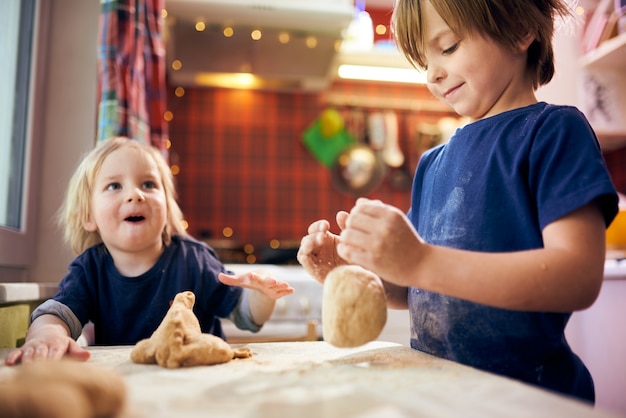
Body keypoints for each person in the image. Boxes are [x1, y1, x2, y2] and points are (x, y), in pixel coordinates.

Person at [297, 0, 619, 403]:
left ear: (520, 30)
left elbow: (577, 277)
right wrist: (347, 270)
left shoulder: (553, 132)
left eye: (448, 47)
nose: (432, 73)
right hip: (442, 394)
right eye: (423, 60)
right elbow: (415, 287)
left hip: (528, 399)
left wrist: (421, 261)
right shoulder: (433, 163)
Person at [5, 137, 293, 366]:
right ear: (88, 215)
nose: (135, 194)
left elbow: (247, 316)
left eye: (148, 184)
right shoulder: (90, 268)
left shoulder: (193, 258)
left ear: (167, 207)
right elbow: (60, 313)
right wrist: (46, 335)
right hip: (128, 388)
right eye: (114, 185)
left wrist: (261, 294)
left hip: (199, 384)